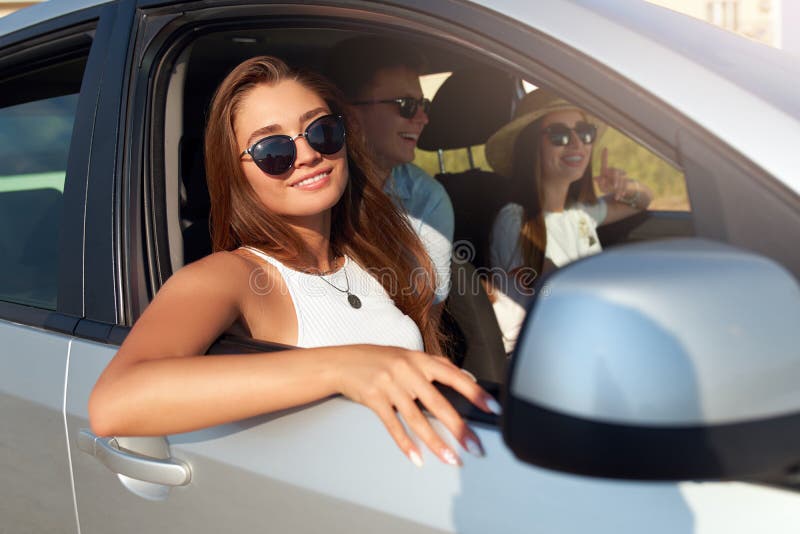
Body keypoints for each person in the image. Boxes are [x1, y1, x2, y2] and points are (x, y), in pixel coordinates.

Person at [88, 56, 500, 468]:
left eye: (320, 131)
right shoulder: (233, 275)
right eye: (272, 149)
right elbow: (115, 401)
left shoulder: (372, 252)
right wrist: (341, 367)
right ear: (236, 172)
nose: (306, 154)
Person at [485, 88, 653, 353]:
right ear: (532, 146)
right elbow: (559, 287)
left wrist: (625, 186)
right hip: (538, 351)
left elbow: (644, 199)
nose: (577, 143)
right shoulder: (514, 219)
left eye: (585, 132)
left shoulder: (579, 213)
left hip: (578, 338)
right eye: (559, 135)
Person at [326, 37, 454, 309]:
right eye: (406, 105)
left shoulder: (428, 199)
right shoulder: (312, 188)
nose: (422, 118)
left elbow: (429, 313)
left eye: (424, 105)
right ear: (351, 115)